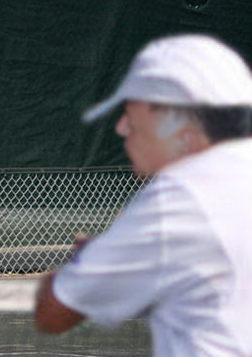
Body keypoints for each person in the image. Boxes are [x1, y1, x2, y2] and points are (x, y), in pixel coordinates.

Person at [35, 34, 252, 356]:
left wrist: (88, 261)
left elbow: (53, 312)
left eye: (133, 113)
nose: (122, 128)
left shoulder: (178, 199)